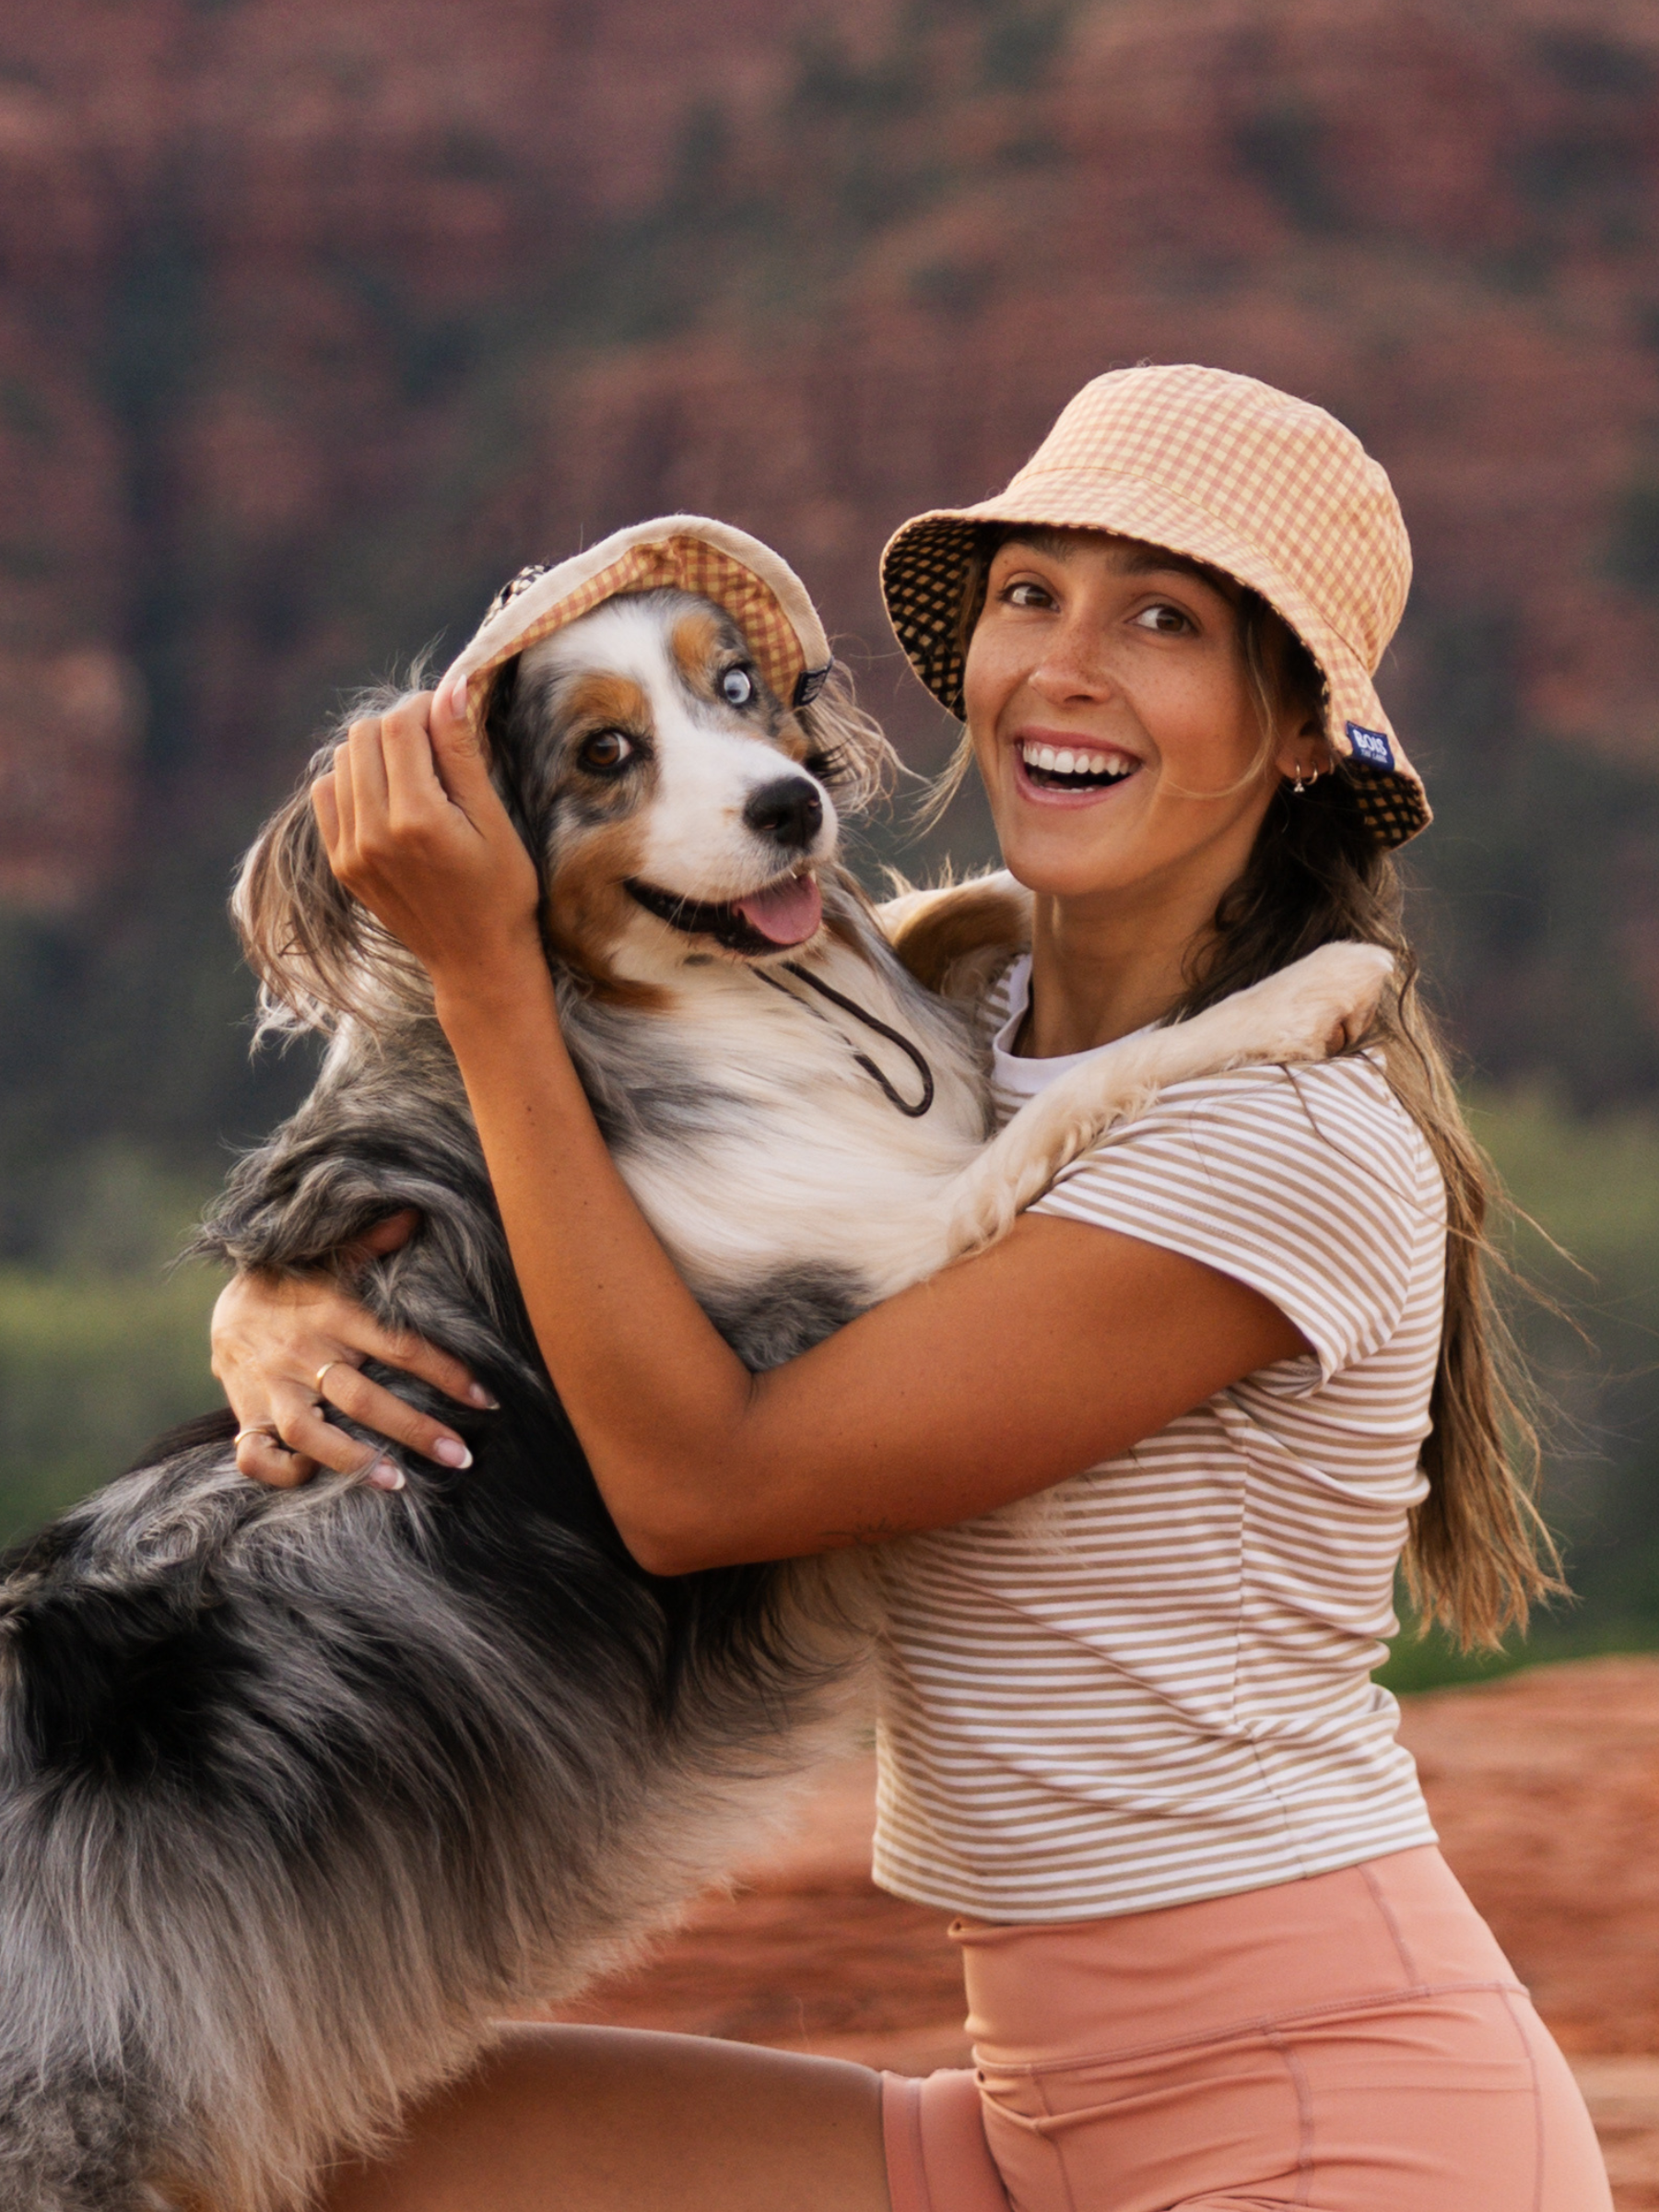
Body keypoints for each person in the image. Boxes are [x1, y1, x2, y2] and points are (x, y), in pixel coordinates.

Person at [212, 365, 1611, 2211]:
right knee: (289, 2153)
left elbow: (704, 1485)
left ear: (1296, 736)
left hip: (1330, 2125)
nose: (1069, 662)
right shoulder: (942, 1021)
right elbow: (518, 1193)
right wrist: (283, 1301)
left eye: (1165, 621)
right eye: (1033, 595)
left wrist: (483, 984)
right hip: (1031, 2128)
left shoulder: (1281, 1141)